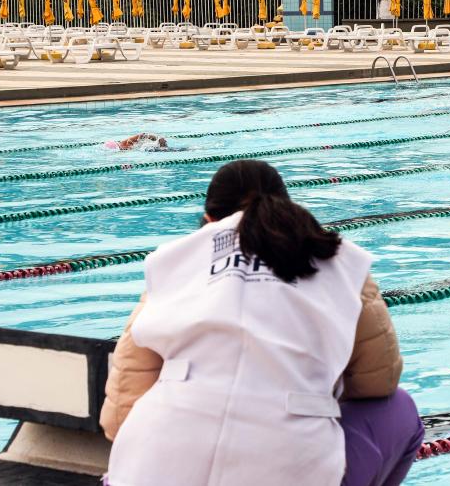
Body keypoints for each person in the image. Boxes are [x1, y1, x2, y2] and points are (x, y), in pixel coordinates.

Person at [100, 160, 423, 486]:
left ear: (209, 219)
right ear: (287, 208)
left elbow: (119, 415)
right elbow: (378, 381)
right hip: (292, 470)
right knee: (400, 408)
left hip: (153, 472)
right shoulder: (338, 261)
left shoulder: (175, 264)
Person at [104, 133, 171, 151]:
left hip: (157, 142)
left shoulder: (128, 141)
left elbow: (142, 135)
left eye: (121, 148)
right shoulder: (126, 147)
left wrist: (157, 139)